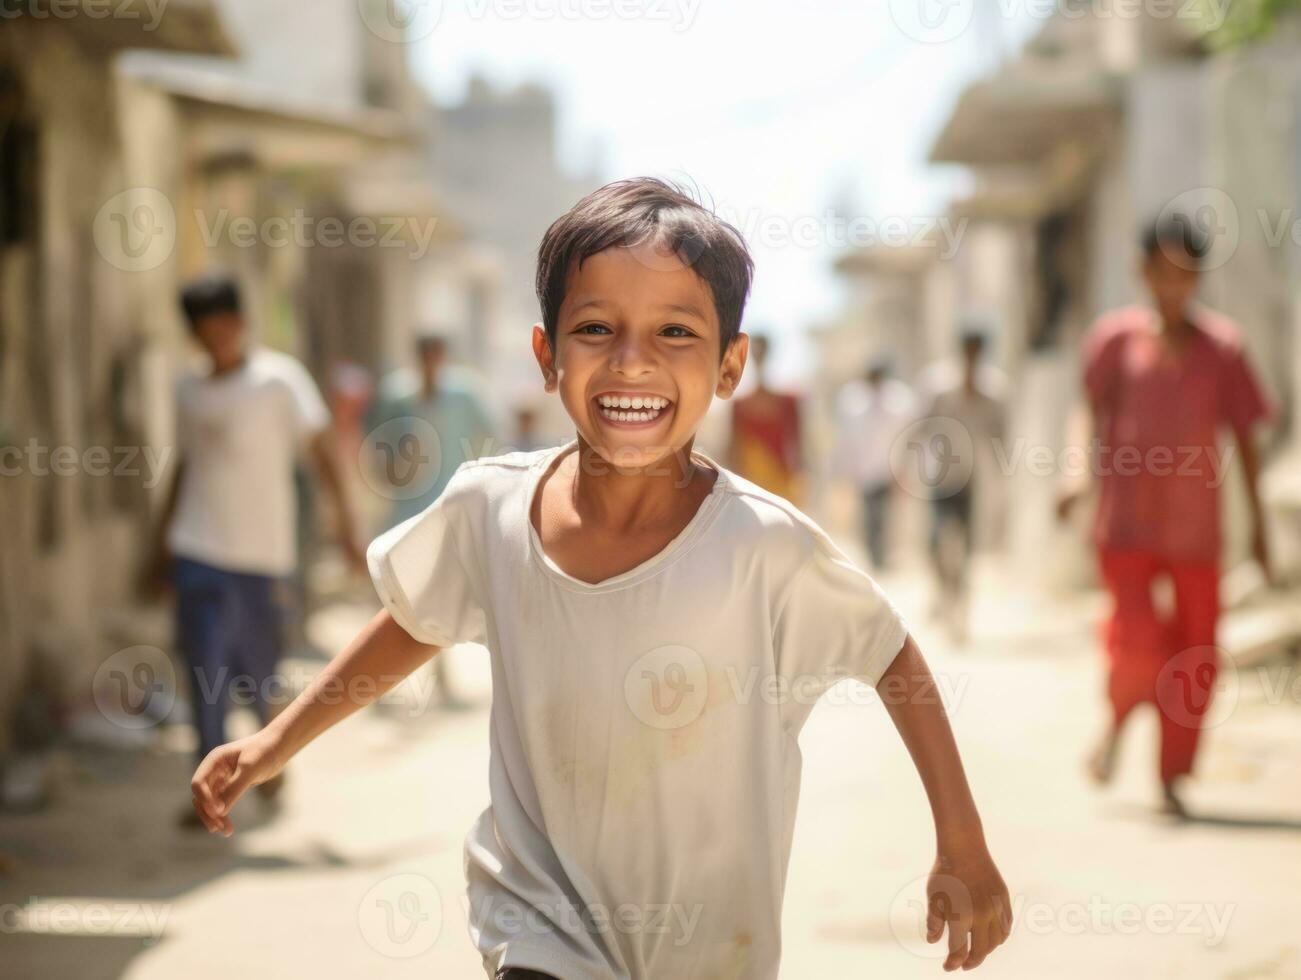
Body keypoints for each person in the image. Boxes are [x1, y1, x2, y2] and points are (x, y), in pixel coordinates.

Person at [189, 179, 1011, 977]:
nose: (630, 363)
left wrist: (961, 841)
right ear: (546, 355)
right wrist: (273, 741)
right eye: (594, 329)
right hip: (536, 922)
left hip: (709, 949)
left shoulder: (762, 545)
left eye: (675, 334)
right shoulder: (490, 509)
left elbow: (888, 653)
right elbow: (414, 621)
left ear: (730, 366)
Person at [1057, 215, 1276, 818]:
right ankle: (1120, 720)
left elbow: (1247, 442)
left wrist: (1259, 527)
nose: (1173, 286)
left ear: (1199, 277)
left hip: (1197, 533)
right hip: (1126, 526)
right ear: (1142, 270)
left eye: (1186, 274)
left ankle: (1172, 774)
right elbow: (1087, 411)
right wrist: (1076, 473)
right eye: (1163, 272)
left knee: (1196, 658)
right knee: (1135, 644)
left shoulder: (1224, 350)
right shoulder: (1114, 341)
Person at [147, 275, 366, 830]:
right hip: (197, 548)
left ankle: (265, 754)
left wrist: (346, 528)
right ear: (194, 334)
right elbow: (184, 466)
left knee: (255, 676)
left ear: (241, 322)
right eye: (205, 329)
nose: (217, 336)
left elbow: (322, 454)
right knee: (202, 668)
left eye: (225, 324)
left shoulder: (280, 381)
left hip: (262, 557)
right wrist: (160, 546)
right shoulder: (189, 390)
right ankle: (210, 794)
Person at [916, 327, 1007, 644]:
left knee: (965, 548)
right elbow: (921, 427)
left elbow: (999, 435)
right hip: (941, 477)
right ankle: (942, 592)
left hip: (970, 480)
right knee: (938, 542)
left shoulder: (992, 390)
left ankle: (959, 609)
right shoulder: (940, 386)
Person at [367, 332, 497, 531]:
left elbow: (491, 434)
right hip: (409, 500)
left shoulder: (464, 395)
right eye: (426, 355)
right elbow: (377, 437)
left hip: (452, 494)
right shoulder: (397, 396)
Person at [830, 352, 917, 570]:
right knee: (870, 515)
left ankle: (884, 554)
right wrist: (845, 468)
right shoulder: (853, 401)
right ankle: (874, 556)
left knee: (886, 515)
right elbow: (846, 438)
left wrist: (903, 469)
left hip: (890, 469)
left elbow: (907, 436)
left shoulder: (899, 400)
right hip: (865, 471)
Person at [725, 332, 804, 504]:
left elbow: (799, 446)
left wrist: (802, 480)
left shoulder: (789, 402)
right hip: (750, 486)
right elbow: (733, 448)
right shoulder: (739, 405)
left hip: (783, 484)